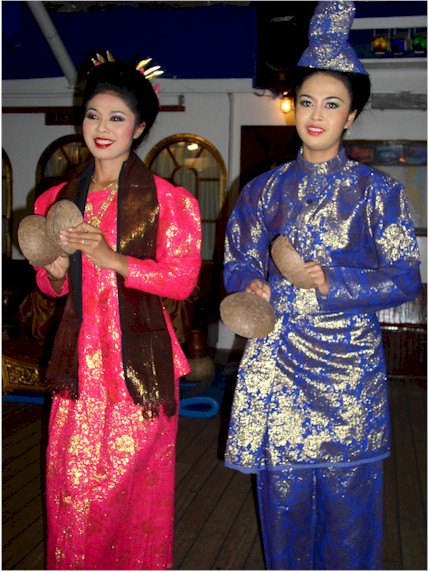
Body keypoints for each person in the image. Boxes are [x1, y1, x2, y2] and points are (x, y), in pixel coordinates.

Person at [222, 2, 422, 569]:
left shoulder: (378, 193)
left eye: (332, 104)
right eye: (306, 101)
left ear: (351, 115)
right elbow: (238, 260)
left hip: (348, 369)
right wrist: (252, 284)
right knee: (282, 501)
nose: (316, 114)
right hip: (279, 358)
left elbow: (406, 278)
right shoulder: (262, 190)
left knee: (348, 504)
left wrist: (332, 280)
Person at [33, 52, 201, 570]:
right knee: (70, 490)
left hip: (139, 370)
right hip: (79, 367)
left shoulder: (170, 201)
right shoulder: (57, 200)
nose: (101, 128)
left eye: (116, 118)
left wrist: (113, 259)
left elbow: (182, 280)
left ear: (140, 127)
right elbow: (53, 287)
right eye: (93, 115)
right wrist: (55, 271)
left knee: (127, 493)